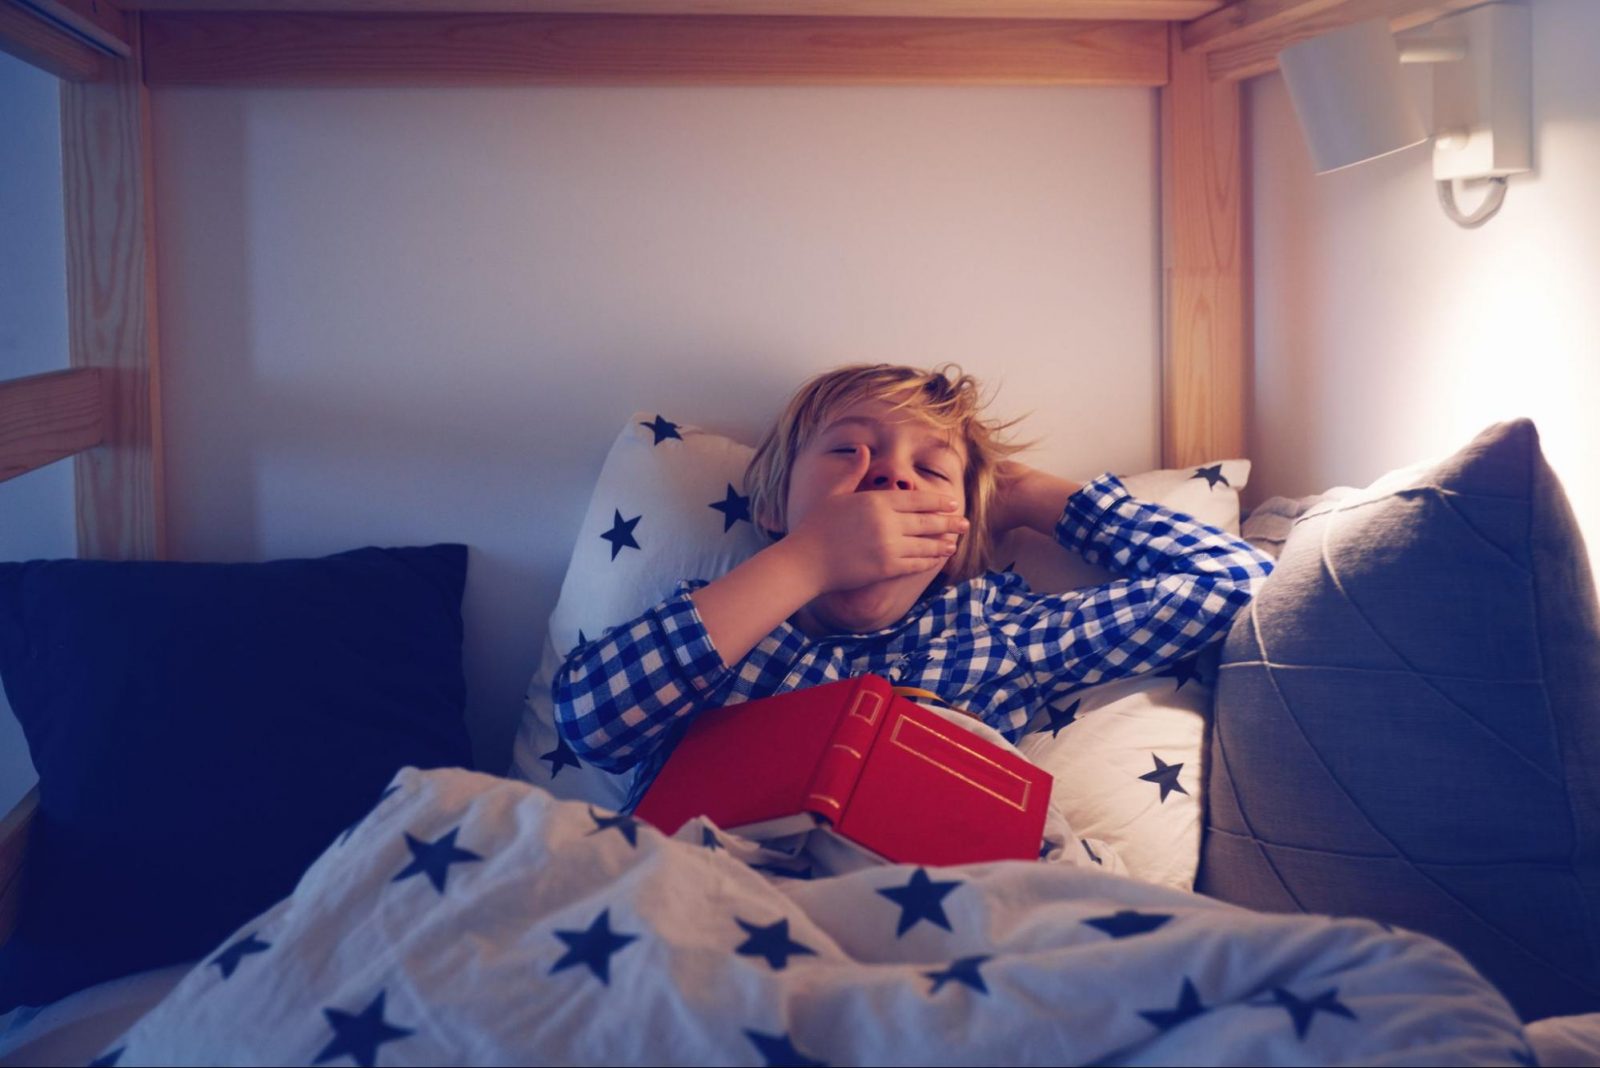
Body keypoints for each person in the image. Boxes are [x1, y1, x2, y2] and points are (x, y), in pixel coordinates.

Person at [553, 363, 1274, 813]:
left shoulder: (996, 630)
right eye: (847, 450)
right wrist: (804, 561)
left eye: (931, 470)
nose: (891, 475)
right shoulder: (722, 617)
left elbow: (1238, 582)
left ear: (962, 531)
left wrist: (1028, 497)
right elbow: (591, 723)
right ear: (770, 507)